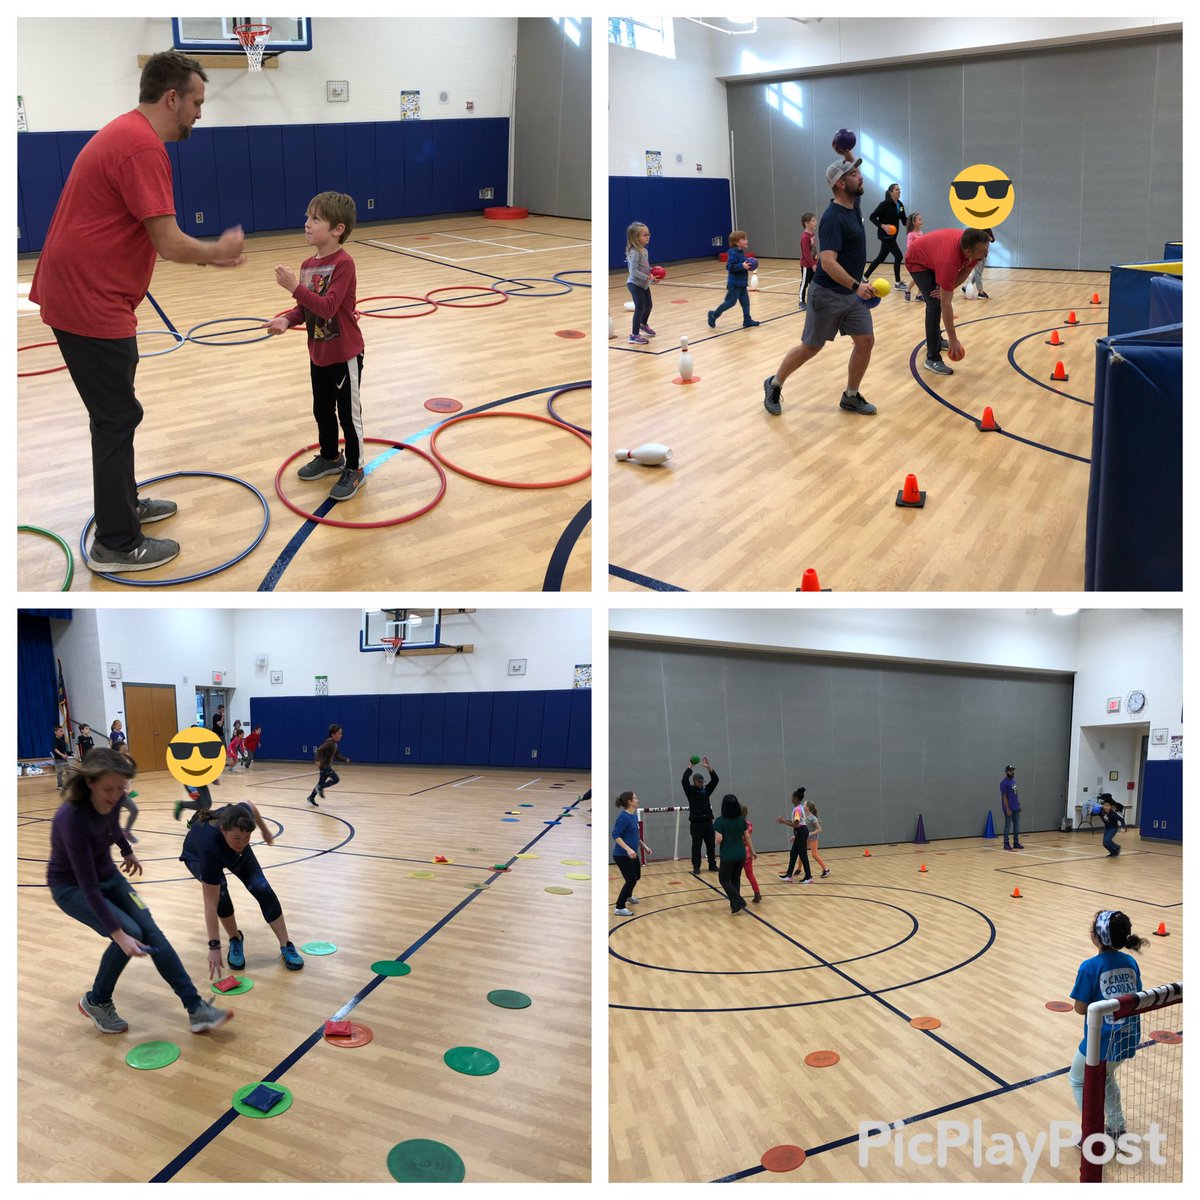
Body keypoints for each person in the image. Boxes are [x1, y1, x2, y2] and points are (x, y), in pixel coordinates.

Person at [28, 50, 246, 573]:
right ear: (171, 98)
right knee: (116, 418)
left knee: (116, 414)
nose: (199, 113)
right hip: (89, 300)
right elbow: (169, 243)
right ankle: (117, 543)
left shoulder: (127, 134)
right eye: (196, 102)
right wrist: (217, 252)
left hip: (84, 294)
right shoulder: (141, 147)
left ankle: (123, 506)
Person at [47, 748, 231, 1035]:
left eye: (121, 788)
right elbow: (88, 886)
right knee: (131, 933)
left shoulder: (116, 795)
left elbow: (112, 825)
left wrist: (127, 851)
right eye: (108, 789)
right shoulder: (71, 818)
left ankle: (196, 1008)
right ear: (90, 783)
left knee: (151, 931)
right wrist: (118, 935)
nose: (115, 795)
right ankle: (97, 1001)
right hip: (72, 888)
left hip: (109, 875)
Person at [266, 192, 367, 502]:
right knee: (322, 409)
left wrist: (294, 286)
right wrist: (287, 319)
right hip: (319, 352)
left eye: (316, 219)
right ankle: (330, 457)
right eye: (308, 217)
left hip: (344, 354)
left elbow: (327, 307)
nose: (307, 224)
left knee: (348, 415)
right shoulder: (309, 264)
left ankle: (355, 468)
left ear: (337, 229)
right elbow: (306, 308)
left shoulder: (344, 264)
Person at [763, 148, 878, 418]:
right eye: (854, 174)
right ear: (841, 183)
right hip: (827, 294)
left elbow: (853, 172)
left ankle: (850, 396)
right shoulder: (832, 218)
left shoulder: (853, 206)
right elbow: (827, 262)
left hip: (851, 296)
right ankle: (774, 383)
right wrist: (857, 286)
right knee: (811, 347)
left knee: (865, 341)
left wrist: (847, 153)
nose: (861, 177)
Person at [180, 801, 305, 973]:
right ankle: (235, 939)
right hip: (197, 857)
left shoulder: (240, 819)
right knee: (221, 895)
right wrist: (214, 946)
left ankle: (286, 944)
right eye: (238, 838)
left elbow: (250, 805)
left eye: (247, 837)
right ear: (223, 830)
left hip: (225, 844)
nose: (242, 843)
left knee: (262, 888)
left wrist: (265, 830)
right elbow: (210, 903)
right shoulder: (208, 845)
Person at [1068, 910, 1145, 1140]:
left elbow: (1080, 1008)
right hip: (1128, 1036)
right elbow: (1136, 994)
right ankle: (1116, 1127)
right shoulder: (1130, 962)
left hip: (1101, 1042)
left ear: (1097, 937)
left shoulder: (1089, 967)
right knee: (1108, 1077)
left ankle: (1093, 1134)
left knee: (1077, 1079)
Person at [903, 225, 992, 376]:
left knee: (940, 296)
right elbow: (946, 304)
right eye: (983, 251)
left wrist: (946, 286)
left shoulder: (972, 249)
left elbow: (965, 272)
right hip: (917, 260)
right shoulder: (949, 260)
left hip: (933, 255)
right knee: (935, 304)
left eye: (986, 249)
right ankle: (932, 358)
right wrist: (953, 339)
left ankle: (935, 338)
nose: (986, 254)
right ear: (968, 252)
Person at [707, 231, 759, 329]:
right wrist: (742, 265)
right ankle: (713, 315)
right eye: (744, 239)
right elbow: (729, 267)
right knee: (730, 303)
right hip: (735, 284)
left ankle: (747, 320)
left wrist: (748, 265)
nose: (747, 241)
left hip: (742, 283)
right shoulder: (734, 253)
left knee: (745, 303)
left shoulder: (741, 252)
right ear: (736, 242)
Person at [612, 792, 651, 917]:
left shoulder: (633, 816)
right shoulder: (623, 817)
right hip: (622, 855)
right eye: (635, 798)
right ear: (630, 801)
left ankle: (628, 895)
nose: (637, 799)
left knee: (636, 876)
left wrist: (644, 846)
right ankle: (619, 907)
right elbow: (615, 835)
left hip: (632, 854)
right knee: (631, 880)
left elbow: (635, 836)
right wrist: (628, 849)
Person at [864, 183, 908, 291]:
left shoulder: (900, 205)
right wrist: (882, 226)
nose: (899, 191)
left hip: (892, 236)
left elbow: (903, 220)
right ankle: (897, 283)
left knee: (881, 258)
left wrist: (913, 221)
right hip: (885, 236)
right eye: (897, 190)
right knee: (898, 256)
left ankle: (864, 277)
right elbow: (872, 217)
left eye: (899, 190)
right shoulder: (884, 204)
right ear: (891, 192)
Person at [681, 757, 720, 875]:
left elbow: (715, 780)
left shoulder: (706, 790)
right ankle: (696, 866)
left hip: (708, 821)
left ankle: (712, 864)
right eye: (699, 782)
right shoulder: (690, 791)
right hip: (696, 823)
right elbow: (684, 780)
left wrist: (709, 768)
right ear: (694, 781)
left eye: (702, 781)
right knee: (696, 845)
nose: (701, 783)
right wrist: (689, 767)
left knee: (711, 844)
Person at [713, 794, 749, 914]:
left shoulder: (720, 821)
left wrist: (714, 840)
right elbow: (746, 836)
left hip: (728, 854)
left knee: (723, 879)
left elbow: (719, 839)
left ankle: (738, 901)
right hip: (741, 854)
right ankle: (735, 905)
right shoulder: (741, 820)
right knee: (735, 878)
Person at [625, 222, 655, 344]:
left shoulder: (645, 251)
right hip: (635, 284)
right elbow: (633, 271)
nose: (648, 236)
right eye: (644, 235)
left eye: (648, 234)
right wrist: (648, 278)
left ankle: (643, 323)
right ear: (635, 237)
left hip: (644, 284)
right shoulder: (634, 252)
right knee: (640, 308)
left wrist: (653, 272)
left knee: (649, 305)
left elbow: (645, 267)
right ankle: (634, 335)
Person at [776, 787, 813, 883]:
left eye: (792, 797)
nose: (791, 798)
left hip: (801, 831)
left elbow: (796, 824)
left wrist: (784, 821)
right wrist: (784, 820)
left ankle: (808, 877)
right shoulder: (798, 808)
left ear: (796, 798)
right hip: (800, 832)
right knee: (793, 853)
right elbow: (795, 822)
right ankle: (789, 875)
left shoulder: (797, 810)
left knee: (803, 854)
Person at [308, 724, 349, 806]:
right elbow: (319, 750)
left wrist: (344, 759)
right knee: (336, 779)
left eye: (341, 733)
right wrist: (317, 760)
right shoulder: (330, 743)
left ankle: (311, 797)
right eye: (339, 733)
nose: (341, 735)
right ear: (333, 734)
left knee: (321, 782)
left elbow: (337, 754)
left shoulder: (334, 743)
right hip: (324, 766)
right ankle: (320, 788)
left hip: (325, 766)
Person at [964, 228, 995, 299]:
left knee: (978, 272)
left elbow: (993, 239)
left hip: (984, 254)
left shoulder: (988, 229)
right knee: (978, 273)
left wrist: (989, 238)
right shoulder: (976, 230)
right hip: (977, 254)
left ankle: (966, 288)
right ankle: (980, 292)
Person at [740, 803, 762, 904]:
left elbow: (744, 837)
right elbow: (748, 837)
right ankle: (757, 893)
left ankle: (736, 896)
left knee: (735, 875)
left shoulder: (737, 824)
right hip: (748, 852)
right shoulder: (749, 823)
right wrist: (752, 851)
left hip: (739, 851)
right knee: (750, 874)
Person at [999, 765, 1024, 850]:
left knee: (1017, 826)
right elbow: (1004, 797)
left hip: (1015, 807)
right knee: (1008, 825)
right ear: (1007, 772)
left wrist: (1018, 804)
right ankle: (1006, 843)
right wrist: (1007, 809)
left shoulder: (1014, 781)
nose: (1012, 772)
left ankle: (1016, 842)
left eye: (1013, 770)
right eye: (1010, 771)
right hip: (1009, 808)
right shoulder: (1004, 783)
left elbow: (1015, 794)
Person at [798, 212, 818, 310]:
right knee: (804, 283)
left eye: (815, 221)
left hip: (813, 264)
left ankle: (813, 300)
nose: (815, 222)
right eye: (813, 221)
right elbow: (806, 253)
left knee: (813, 284)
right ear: (806, 223)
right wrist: (812, 264)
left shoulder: (812, 235)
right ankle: (801, 301)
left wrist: (816, 262)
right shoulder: (805, 237)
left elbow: (814, 250)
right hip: (807, 265)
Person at [806, 797, 830, 878]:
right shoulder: (805, 816)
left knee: (814, 855)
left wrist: (811, 833)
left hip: (813, 838)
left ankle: (826, 869)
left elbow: (820, 829)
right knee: (801, 853)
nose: (803, 805)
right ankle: (798, 869)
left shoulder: (813, 818)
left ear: (807, 807)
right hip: (807, 838)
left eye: (804, 804)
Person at [904, 213, 926, 301]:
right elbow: (909, 246)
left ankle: (919, 295)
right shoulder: (911, 234)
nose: (921, 221)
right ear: (914, 222)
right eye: (919, 220)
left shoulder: (921, 232)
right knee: (918, 278)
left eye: (921, 219)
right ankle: (908, 290)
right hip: (913, 259)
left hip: (921, 258)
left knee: (923, 277)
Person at [52, 725, 71, 790]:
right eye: (60, 731)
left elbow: (67, 742)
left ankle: (69, 784)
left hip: (64, 758)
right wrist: (62, 755)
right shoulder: (55, 740)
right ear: (55, 732)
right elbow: (55, 749)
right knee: (60, 772)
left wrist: (65, 734)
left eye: (62, 731)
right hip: (58, 759)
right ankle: (59, 785)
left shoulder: (62, 739)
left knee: (68, 770)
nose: (62, 732)